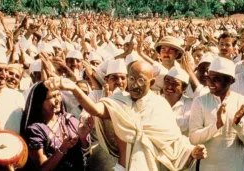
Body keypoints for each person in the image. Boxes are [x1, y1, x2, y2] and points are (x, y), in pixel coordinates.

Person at [44, 60, 207, 171]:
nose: (135, 85)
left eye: (141, 81)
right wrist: (74, 88)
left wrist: (192, 151)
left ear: (151, 84)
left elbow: (174, 141)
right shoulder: (118, 100)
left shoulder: (160, 105)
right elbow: (96, 109)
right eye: (131, 79)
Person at [189, 57, 244, 171]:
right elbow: (194, 138)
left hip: (235, 166)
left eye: (217, 79)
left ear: (230, 80)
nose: (210, 82)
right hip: (207, 167)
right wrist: (216, 125)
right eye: (208, 78)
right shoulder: (200, 101)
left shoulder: (243, 102)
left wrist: (238, 123)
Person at [20, 81, 92, 171]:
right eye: (52, 97)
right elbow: (43, 168)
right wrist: (63, 148)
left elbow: (88, 154)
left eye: (58, 95)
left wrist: (83, 137)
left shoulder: (69, 120)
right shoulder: (35, 130)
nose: (58, 100)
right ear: (40, 101)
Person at [162, 66, 192, 136]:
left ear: (184, 88)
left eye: (175, 83)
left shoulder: (191, 104)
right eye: (167, 81)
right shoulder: (155, 101)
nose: (169, 86)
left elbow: (186, 125)